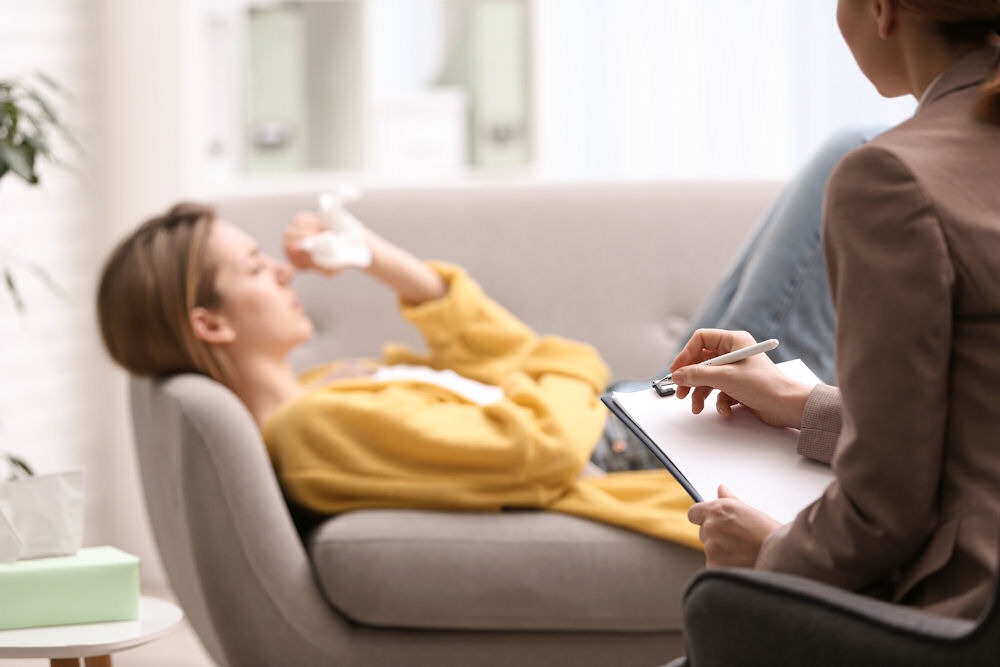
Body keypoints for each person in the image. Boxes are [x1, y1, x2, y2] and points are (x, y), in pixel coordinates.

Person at [96, 202, 702, 549]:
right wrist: (568, 365)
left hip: (629, 418)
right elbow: (535, 448)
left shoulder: (325, 387)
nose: (283, 271)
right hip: (637, 445)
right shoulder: (313, 429)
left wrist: (377, 259)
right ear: (212, 325)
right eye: (255, 268)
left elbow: (512, 353)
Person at [670, 0, 1000, 620]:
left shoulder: (891, 176)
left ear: (881, 10)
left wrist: (766, 551)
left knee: (718, 611)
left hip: (961, 617)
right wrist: (801, 404)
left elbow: (883, 514)